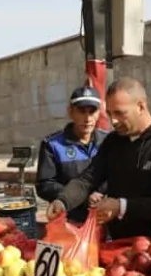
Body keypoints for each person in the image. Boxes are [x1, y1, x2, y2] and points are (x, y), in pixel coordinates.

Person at [47, 78, 151, 239]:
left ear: (141, 106)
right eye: (109, 113)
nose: (113, 121)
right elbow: (88, 179)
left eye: (119, 113)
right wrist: (63, 201)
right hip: (118, 246)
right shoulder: (113, 141)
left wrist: (122, 206)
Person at [36, 86, 108, 223]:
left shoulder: (109, 141)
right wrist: (74, 197)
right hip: (70, 220)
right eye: (81, 111)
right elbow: (45, 184)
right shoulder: (52, 144)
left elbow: (118, 173)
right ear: (71, 112)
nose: (87, 118)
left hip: (106, 219)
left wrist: (100, 193)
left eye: (92, 111)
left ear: (99, 113)